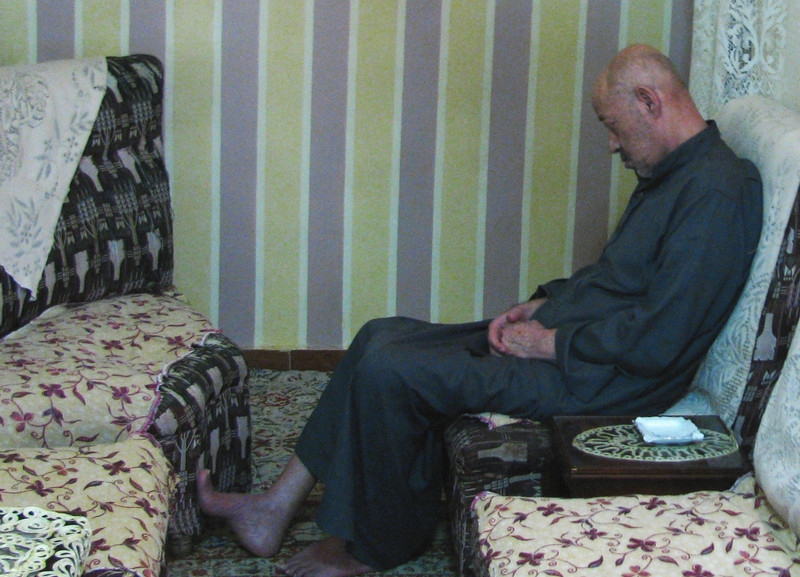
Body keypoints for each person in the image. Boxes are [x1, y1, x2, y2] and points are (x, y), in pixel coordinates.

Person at [198, 44, 763, 577]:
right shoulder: (672, 173)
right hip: (582, 345)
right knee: (380, 336)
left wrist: (549, 343)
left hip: (606, 382)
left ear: (650, 102)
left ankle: (377, 547)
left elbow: (662, 335)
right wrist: (543, 304)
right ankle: (275, 505)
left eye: (612, 127)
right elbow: (618, 282)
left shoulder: (716, 191)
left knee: (393, 372)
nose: (612, 146)